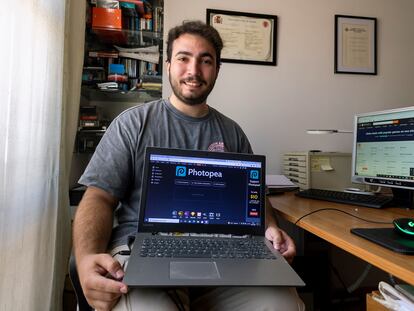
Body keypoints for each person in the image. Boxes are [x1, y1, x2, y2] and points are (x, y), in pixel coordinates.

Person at [73, 20, 305, 311]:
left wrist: (271, 227)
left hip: (227, 255)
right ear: (168, 64)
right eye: (183, 58)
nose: (194, 71)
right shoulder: (132, 124)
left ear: (217, 70)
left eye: (205, 61)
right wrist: (84, 261)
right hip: (144, 249)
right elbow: (98, 197)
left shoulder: (232, 132)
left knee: (282, 304)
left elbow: (255, 198)